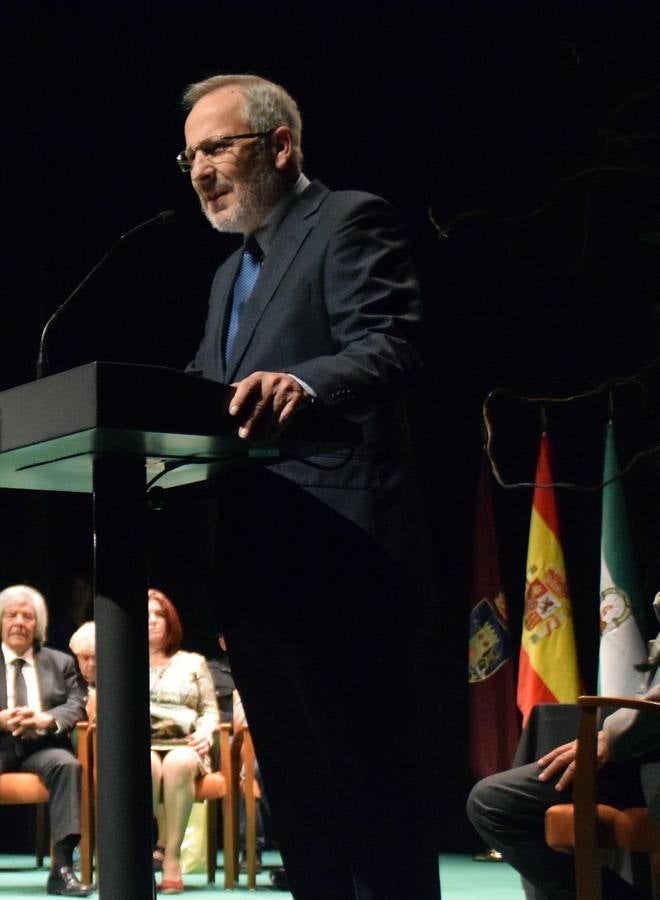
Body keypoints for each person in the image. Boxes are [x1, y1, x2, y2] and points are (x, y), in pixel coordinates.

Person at [179, 74, 438, 898]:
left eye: (216, 147)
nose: (198, 169)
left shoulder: (348, 220)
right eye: (187, 155)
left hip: (342, 556)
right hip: (256, 569)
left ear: (280, 145)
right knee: (302, 808)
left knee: (370, 796)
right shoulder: (229, 275)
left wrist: (306, 383)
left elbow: (391, 343)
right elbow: (204, 394)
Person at [467, 676, 660, 899]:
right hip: (636, 752)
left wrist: (611, 738)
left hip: (645, 753)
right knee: (491, 802)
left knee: (492, 804)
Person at [0, 585, 92, 898]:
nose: (19, 621)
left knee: (67, 765)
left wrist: (48, 719)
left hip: (43, 745)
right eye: (11, 615)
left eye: (27, 616)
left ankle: (61, 868)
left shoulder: (60, 663)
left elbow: (77, 702)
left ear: (38, 625)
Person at [145, 589, 218, 893]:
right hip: (144, 744)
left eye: (159, 614)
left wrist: (205, 733)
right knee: (145, 763)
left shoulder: (193, 662)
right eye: (145, 614)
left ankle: (171, 857)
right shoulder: (124, 662)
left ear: (170, 621)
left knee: (177, 763)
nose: (151, 620)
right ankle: (146, 849)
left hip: (187, 744)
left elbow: (210, 710)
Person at [67, 621, 97, 724]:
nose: (91, 664)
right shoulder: (71, 685)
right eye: (85, 658)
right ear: (77, 658)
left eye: (96, 657)